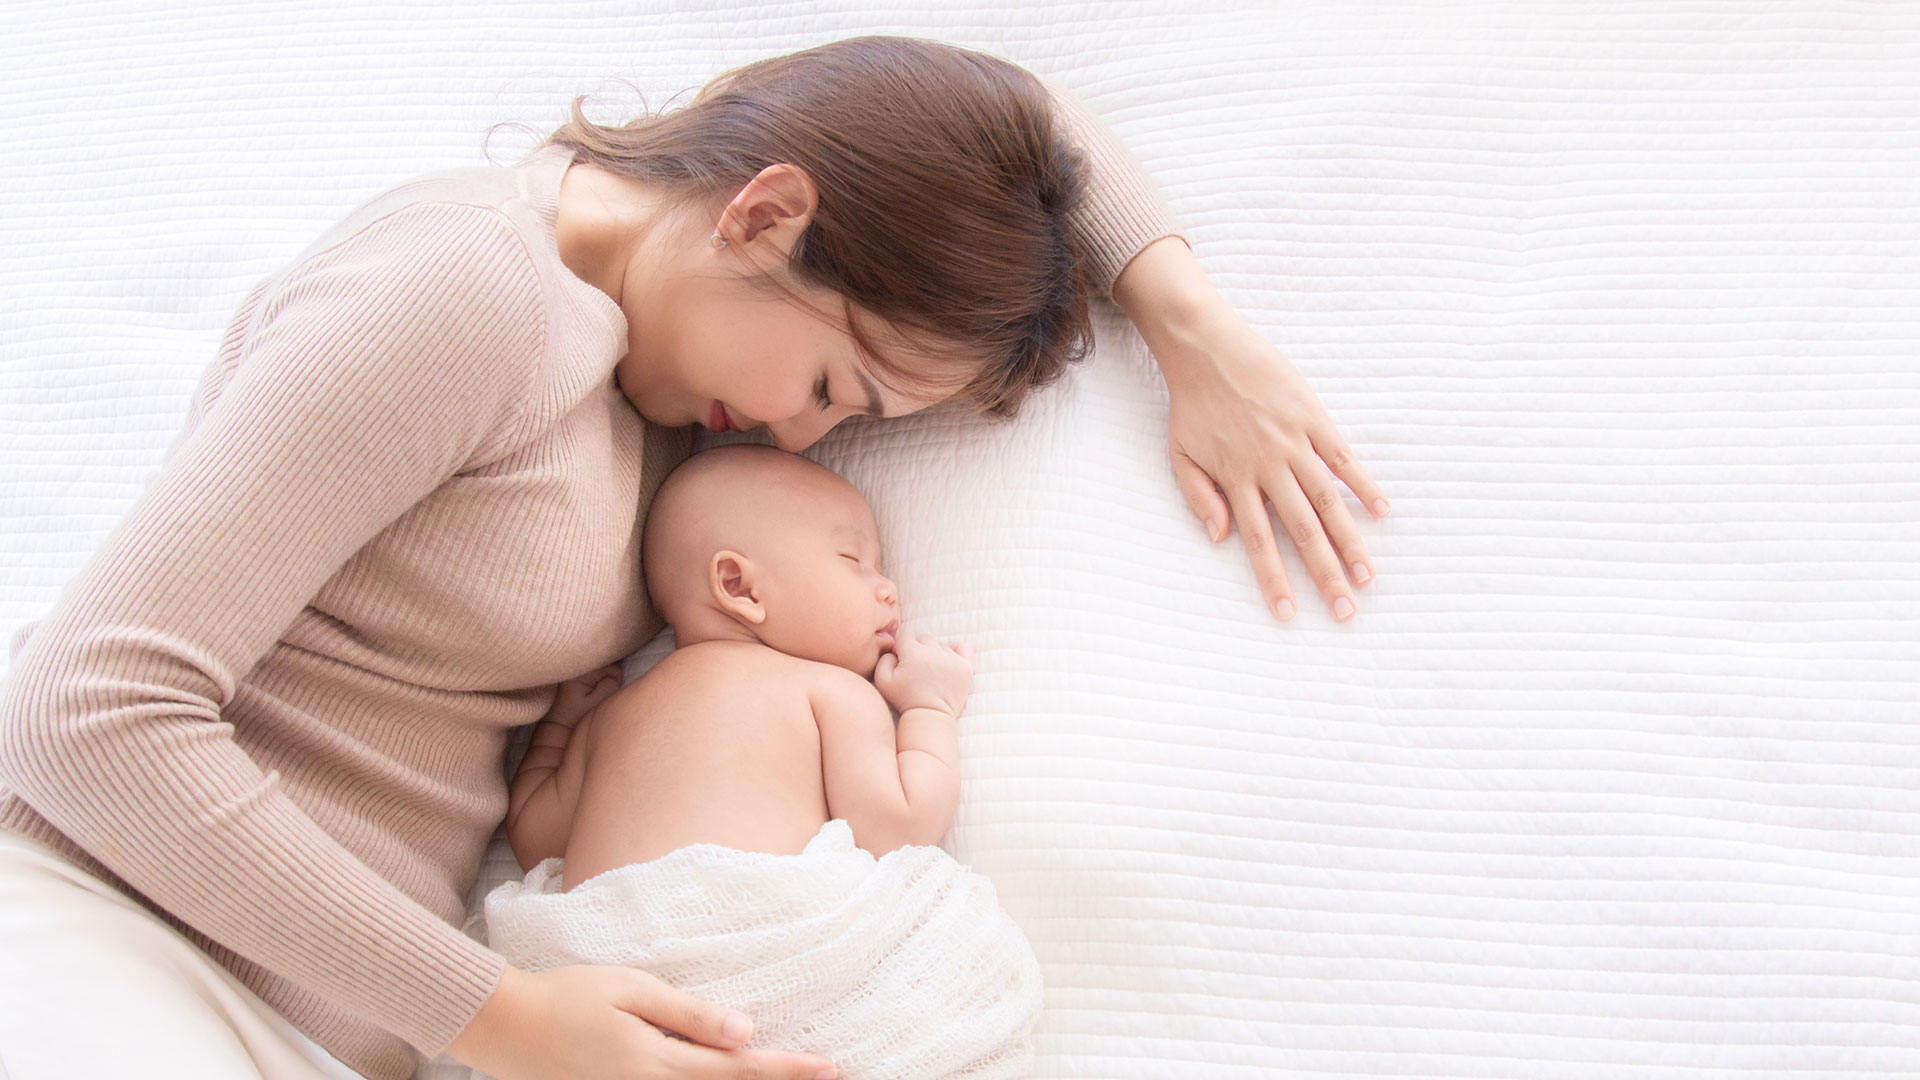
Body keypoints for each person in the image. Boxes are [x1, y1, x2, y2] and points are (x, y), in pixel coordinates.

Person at [0, 34, 1387, 1080]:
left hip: (322, 1026)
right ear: (764, 213)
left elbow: (1023, 119)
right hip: (111, 929)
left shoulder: (670, 379)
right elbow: (82, 708)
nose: (800, 435)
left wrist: (1184, 321)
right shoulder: (468, 287)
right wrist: (506, 1018)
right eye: (837, 386)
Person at [486, 444, 1041, 1080]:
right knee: (966, 968)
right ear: (740, 587)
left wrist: (558, 725)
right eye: (853, 561)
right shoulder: (825, 691)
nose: (888, 589)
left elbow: (533, 838)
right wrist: (931, 706)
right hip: (763, 974)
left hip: (614, 996)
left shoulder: (613, 718)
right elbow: (901, 826)